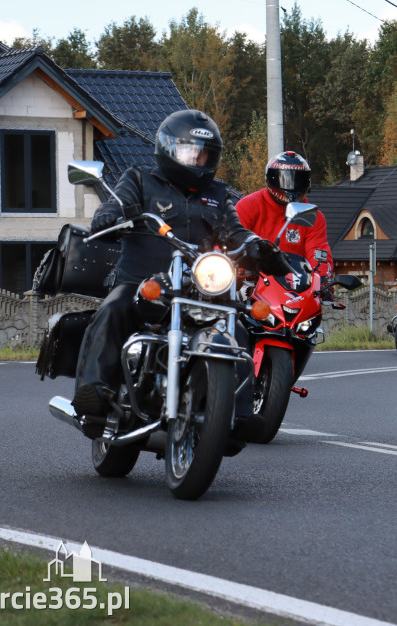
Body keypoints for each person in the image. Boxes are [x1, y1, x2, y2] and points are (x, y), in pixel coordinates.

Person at [72, 109, 264, 434]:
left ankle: (238, 414)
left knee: (239, 327)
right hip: (140, 281)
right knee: (113, 309)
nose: (198, 159)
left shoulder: (218, 194)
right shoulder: (140, 179)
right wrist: (112, 214)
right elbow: (116, 202)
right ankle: (94, 393)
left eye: (205, 154)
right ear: (169, 148)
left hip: (196, 286)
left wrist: (259, 247)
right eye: (191, 151)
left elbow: (236, 230)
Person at [235, 151, 334, 291]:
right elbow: (230, 239)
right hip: (251, 285)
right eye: (284, 179)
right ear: (271, 178)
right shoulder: (249, 206)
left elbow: (318, 252)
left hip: (296, 290)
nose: (291, 185)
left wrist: (323, 281)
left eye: (297, 180)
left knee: (314, 310)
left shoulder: (312, 216)